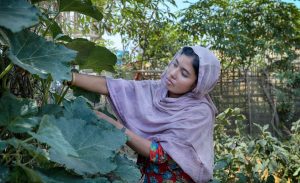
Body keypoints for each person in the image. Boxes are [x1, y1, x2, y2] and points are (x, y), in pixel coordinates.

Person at [68, 46, 221, 183]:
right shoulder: (157, 90)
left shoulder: (199, 112)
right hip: (148, 176)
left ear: (197, 84)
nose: (173, 73)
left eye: (184, 73)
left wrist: (116, 127)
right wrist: (69, 78)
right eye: (175, 64)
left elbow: (160, 154)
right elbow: (114, 86)